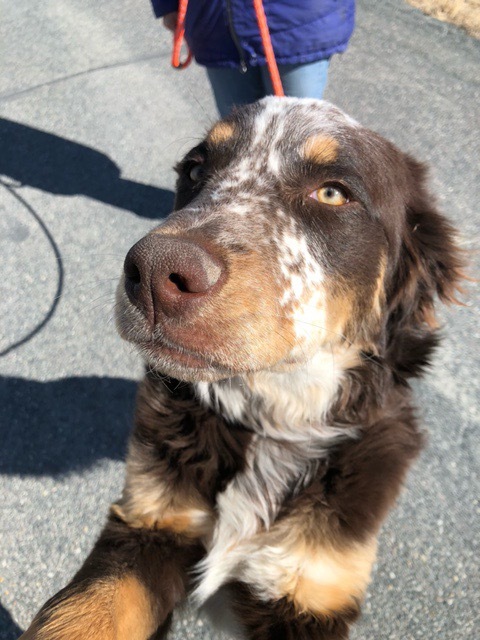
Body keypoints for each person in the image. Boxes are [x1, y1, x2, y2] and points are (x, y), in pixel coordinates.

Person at [151, 1, 356, 118]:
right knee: (238, 141)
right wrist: (167, 4)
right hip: (217, 25)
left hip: (298, 23)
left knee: (295, 139)